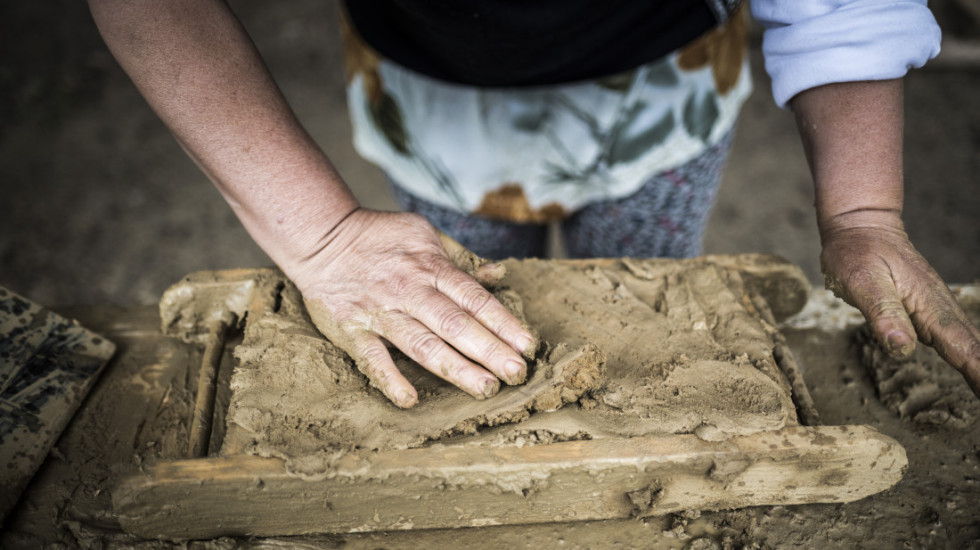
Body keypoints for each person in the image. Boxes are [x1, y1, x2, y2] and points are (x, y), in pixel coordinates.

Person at [87, 0, 980, 409]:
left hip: (661, 89)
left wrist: (862, 212)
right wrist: (324, 236)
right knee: (458, 284)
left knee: (650, 288)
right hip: (436, 99)